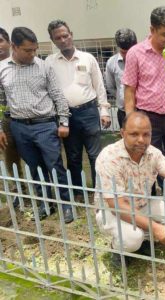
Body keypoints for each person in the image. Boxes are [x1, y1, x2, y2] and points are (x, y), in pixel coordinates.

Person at [95, 112, 165, 266]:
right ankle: (118, 248)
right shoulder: (109, 158)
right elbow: (116, 206)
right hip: (111, 211)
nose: (141, 140)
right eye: (134, 134)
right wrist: (156, 228)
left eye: (146, 134)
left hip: (141, 204)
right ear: (122, 133)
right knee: (132, 239)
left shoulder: (152, 153)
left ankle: (144, 238)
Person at [0, 27, 73, 223]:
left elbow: (58, 95)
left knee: (55, 166)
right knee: (34, 168)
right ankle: (45, 203)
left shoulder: (43, 66)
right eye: (27, 50)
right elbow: (1, 102)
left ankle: (66, 205)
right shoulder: (2, 69)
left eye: (35, 49)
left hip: (45, 125)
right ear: (14, 47)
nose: (33, 54)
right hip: (19, 127)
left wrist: (63, 122)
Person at [46, 20, 111, 193]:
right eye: (58, 37)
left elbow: (99, 86)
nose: (63, 40)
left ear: (71, 35)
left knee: (95, 155)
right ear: (53, 41)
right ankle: (78, 191)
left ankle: (101, 190)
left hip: (89, 112)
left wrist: (104, 111)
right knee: (73, 156)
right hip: (65, 116)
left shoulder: (87, 58)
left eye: (65, 35)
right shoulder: (50, 63)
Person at [122, 6, 165, 166]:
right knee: (146, 160)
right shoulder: (135, 53)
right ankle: (150, 191)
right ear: (152, 30)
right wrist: (130, 121)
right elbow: (130, 91)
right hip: (147, 116)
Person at [0, 27, 25, 208]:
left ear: (9, 43)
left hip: (26, 117)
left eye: (1, 41)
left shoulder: (21, 61)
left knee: (34, 156)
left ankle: (43, 191)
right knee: (10, 158)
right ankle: (19, 192)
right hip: (6, 120)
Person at [105, 28, 137, 128]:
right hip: (123, 112)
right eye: (123, 52)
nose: (127, 55)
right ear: (118, 47)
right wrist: (123, 97)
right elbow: (110, 87)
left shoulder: (144, 61)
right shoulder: (111, 62)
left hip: (144, 111)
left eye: (130, 52)